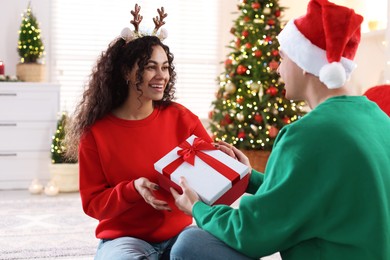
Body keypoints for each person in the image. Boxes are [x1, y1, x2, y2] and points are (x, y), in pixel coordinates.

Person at [169, 0, 390, 259]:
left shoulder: (306, 135)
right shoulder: (377, 117)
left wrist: (197, 208)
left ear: (305, 63)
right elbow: (309, 191)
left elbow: (252, 232)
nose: (278, 68)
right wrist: (248, 176)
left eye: (282, 57)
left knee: (191, 241)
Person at [65, 4, 212, 260]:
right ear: (126, 71)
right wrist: (132, 189)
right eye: (150, 66)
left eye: (165, 67)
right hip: (123, 239)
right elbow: (93, 203)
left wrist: (228, 165)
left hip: (181, 235)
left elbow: (211, 176)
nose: (161, 76)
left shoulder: (182, 118)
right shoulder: (96, 133)